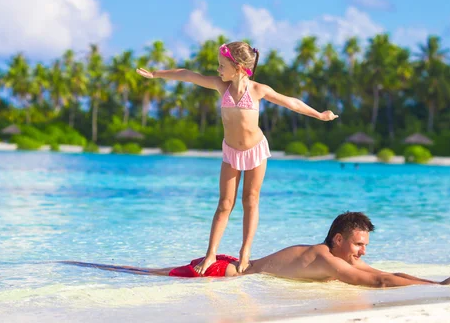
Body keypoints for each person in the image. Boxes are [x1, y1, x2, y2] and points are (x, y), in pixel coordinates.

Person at [136, 42, 338, 275]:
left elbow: (291, 102)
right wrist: (156, 74)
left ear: (239, 67)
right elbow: (188, 75)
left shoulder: (258, 90)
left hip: (255, 150)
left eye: (222, 65)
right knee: (224, 204)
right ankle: (211, 253)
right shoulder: (221, 86)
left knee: (250, 200)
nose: (218, 70)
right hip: (231, 152)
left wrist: (319, 114)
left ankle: (245, 252)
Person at [60, 212, 450, 287]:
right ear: (339, 239)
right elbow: (377, 283)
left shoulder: (331, 257)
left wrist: (429, 282)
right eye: (358, 245)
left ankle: (87, 264)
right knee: (143, 276)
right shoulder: (325, 258)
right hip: (221, 273)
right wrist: (437, 286)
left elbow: (381, 274)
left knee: (148, 274)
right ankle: (81, 264)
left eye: (365, 246)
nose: (362, 252)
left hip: (226, 269)